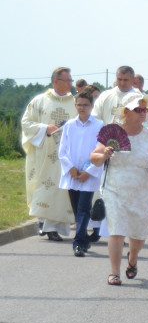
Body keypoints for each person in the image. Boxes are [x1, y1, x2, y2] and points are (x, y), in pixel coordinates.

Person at [89, 93, 148, 285]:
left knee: (138, 233)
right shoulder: (112, 132)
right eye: (138, 110)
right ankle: (114, 272)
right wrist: (104, 154)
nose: (142, 113)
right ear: (126, 112)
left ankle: (132, 259)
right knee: (116, 230)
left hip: (141, 188)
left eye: (144, 110)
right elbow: (93, 159)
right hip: (115, 187)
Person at [21, 67, 77, 240]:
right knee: (45, 186)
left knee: (61, 190)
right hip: (45, 153)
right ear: (55, 81)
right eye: (67, 81)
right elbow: (26, 123)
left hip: (66, 154)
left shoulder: (75, 102)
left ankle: (54, 227)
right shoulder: (39, 101)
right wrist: (45, 128)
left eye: (70, 81)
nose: (70, 84)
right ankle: (44, 224)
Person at [57, 90, 103, 257]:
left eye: (86, 105)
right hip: (72, 173)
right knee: (77, 209)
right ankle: (83, 239)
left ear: (91, 106)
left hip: (88, 174)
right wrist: (70, 168)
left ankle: (78, 243)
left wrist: (88, 171)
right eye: (79, 104)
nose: (82, 108)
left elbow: (101, 151)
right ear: (75, 105)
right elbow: (62, 151)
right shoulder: (69, 125)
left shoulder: (99, 125)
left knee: (84, 207)